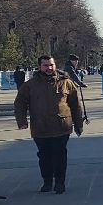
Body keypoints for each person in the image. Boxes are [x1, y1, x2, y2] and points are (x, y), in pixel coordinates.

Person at [12, 54, 86, 194]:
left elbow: (76, 105)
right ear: (40, 66)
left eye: (51, 65)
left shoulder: (66, 82)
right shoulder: (30, 85)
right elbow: (20, 103)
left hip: (61, 126)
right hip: (40, 127)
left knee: (59, 154)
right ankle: (47, 181)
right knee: (44, 155)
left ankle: (59, 182)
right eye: (45, 65)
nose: (49, 68)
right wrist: (21, 121)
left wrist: (78, 124)